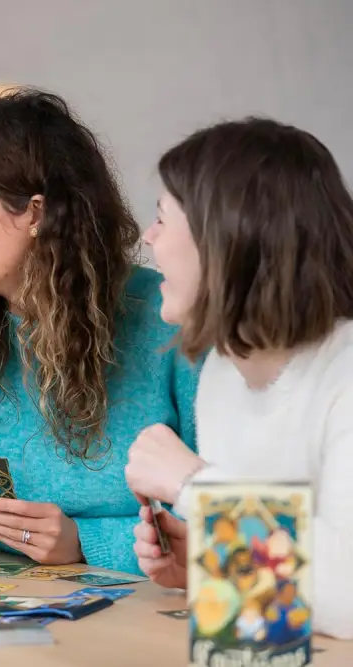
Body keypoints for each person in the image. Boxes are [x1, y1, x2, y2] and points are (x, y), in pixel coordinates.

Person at [0, 89, 200, 574]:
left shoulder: (166, 311)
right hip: (7, 614)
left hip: (147, 607)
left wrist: (84, 540)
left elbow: (223, 507)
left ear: (33, 212)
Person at [125, 117, 353, 639]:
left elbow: (349, 595)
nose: (148, 237)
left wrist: (191, 486)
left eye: (162, 218)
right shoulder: (223, 372)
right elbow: (276, 598)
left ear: (223, 237)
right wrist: (210, 561)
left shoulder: (347, 374)